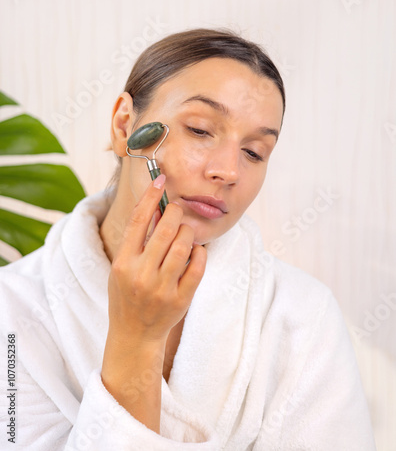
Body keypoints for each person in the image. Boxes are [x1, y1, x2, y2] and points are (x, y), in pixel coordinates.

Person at [0, 28, 376, 450]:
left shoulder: (303, 316)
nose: (228, 171)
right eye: (199, 130)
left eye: (254, 152)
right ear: (125, 126)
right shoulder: (12, 312)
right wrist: (136, 339)